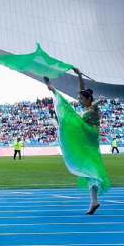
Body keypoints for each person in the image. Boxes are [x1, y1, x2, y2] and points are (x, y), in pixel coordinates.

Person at [43, 67, 111, 214]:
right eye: (79, 99)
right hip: (87, 137)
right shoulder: (87, 102)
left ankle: (54, 91)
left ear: (88, 99)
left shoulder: (92, 108)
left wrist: (99, 101)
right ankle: (94, 201)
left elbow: (93, 106)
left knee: (70, 116)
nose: (79, 101)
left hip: (90, 136)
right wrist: (79, 74)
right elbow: (82, 88)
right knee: (89, 170)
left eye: (81, 99)